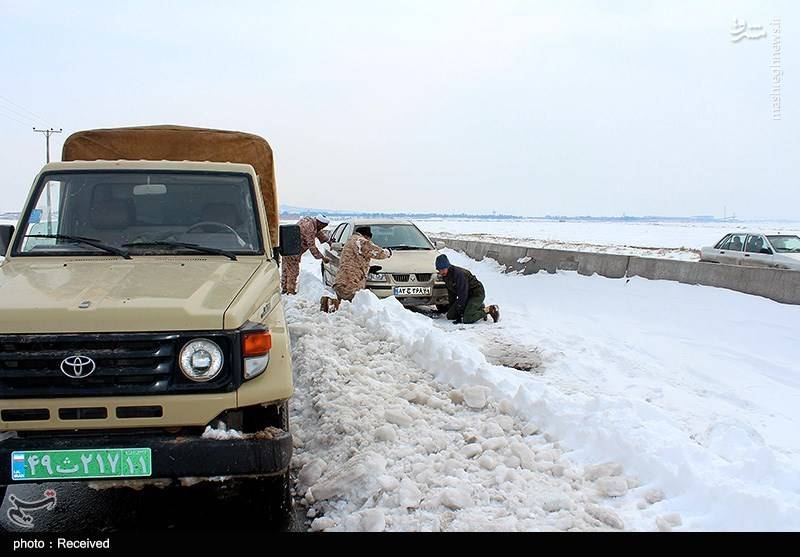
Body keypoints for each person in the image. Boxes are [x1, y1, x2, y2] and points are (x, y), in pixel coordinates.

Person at [332, 226, 392, 301]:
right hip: (350, 284)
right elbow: (376, 252)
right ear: (367, 236)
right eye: (369, 239)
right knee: (353, 307)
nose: (369, 241)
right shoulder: (360, 241)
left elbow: (354, 260)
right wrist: (388, 252)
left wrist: (369, 269)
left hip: (342, 282)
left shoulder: (351, 240)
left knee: (344, 306)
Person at [436, 254, 499, 324]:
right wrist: (452, 308)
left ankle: (489, 309)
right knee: (450, 316)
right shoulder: (445, 276)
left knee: (467, 319)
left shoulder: (459, 274)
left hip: (476, 294)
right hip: (466, 295)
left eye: (443, 269)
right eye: (439, 270)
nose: (441, 272)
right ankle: (477, 307)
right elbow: (451, 294)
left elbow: (463, 295)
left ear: (448, 267)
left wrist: (459, 314)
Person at [281, 214, 331, 295]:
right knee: (293, 271)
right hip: (293, 250)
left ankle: (284, 289)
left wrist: (328, 241)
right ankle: (290, 291)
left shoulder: (312, 222)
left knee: (286, 269)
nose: (323, 228)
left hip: (287, 247)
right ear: (319, 223)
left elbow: (319, 233)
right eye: (323, 226)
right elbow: (311, 245)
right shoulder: (309, 227)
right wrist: (322, 257)